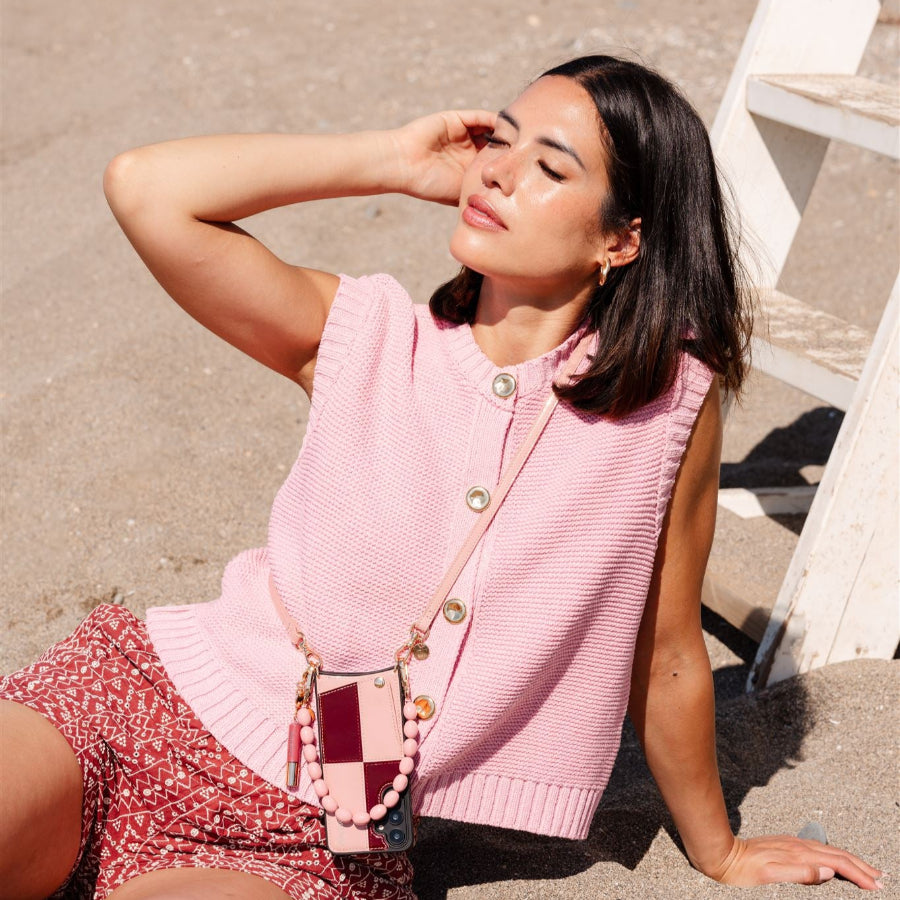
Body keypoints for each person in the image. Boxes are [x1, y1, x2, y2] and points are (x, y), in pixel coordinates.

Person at [0, 55, 883, 899]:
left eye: (549, 166)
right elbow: (145, 188)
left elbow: (669, 652)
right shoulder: (367, 334)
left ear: (620, 239)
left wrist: (719, 850)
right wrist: (388, 159)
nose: (497, 172)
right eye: (499, 140)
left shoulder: (667, 411)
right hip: (134, 714)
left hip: (320, 845)